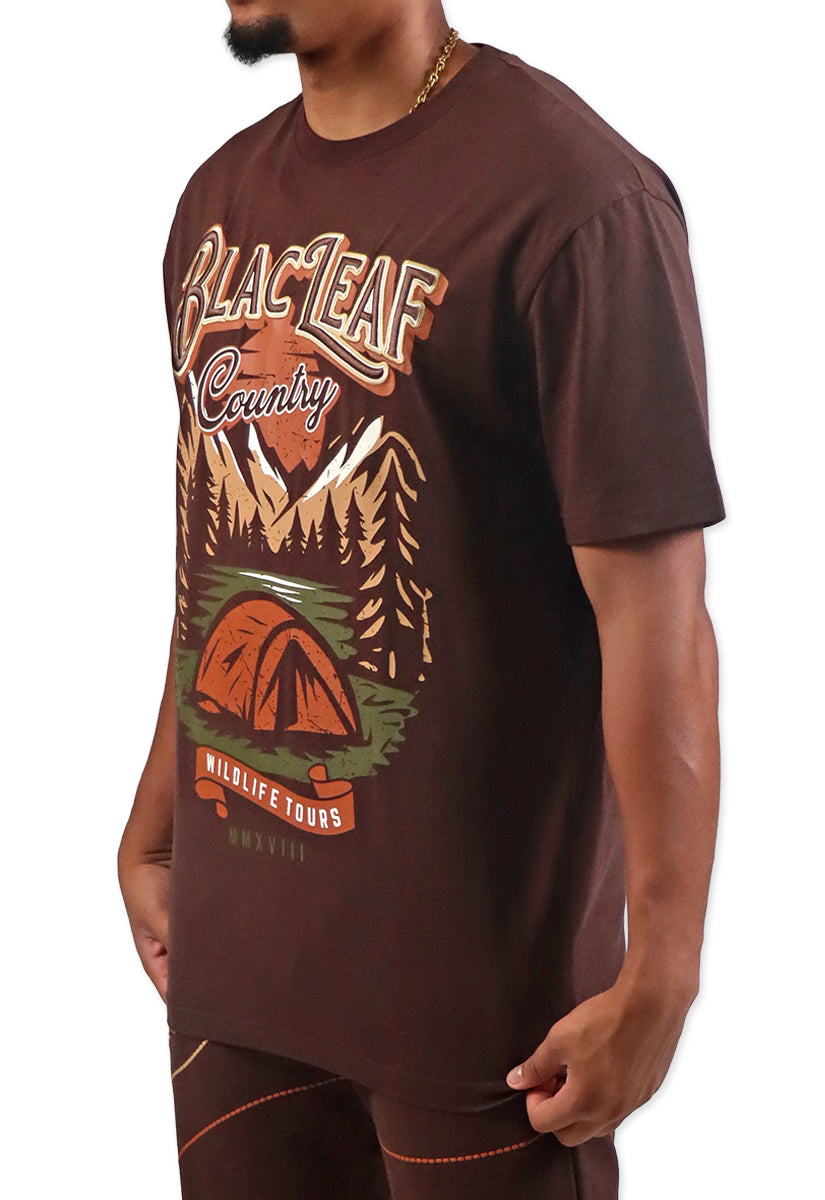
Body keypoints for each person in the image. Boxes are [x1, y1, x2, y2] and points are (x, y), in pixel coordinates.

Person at [118, 2, 725, 1196]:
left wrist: (663, 970)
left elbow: (655, 615)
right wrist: (157, 824)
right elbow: (218, 560)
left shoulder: (574, 202)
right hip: (235, 982)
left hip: (479, 1018)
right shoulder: (214, 205)